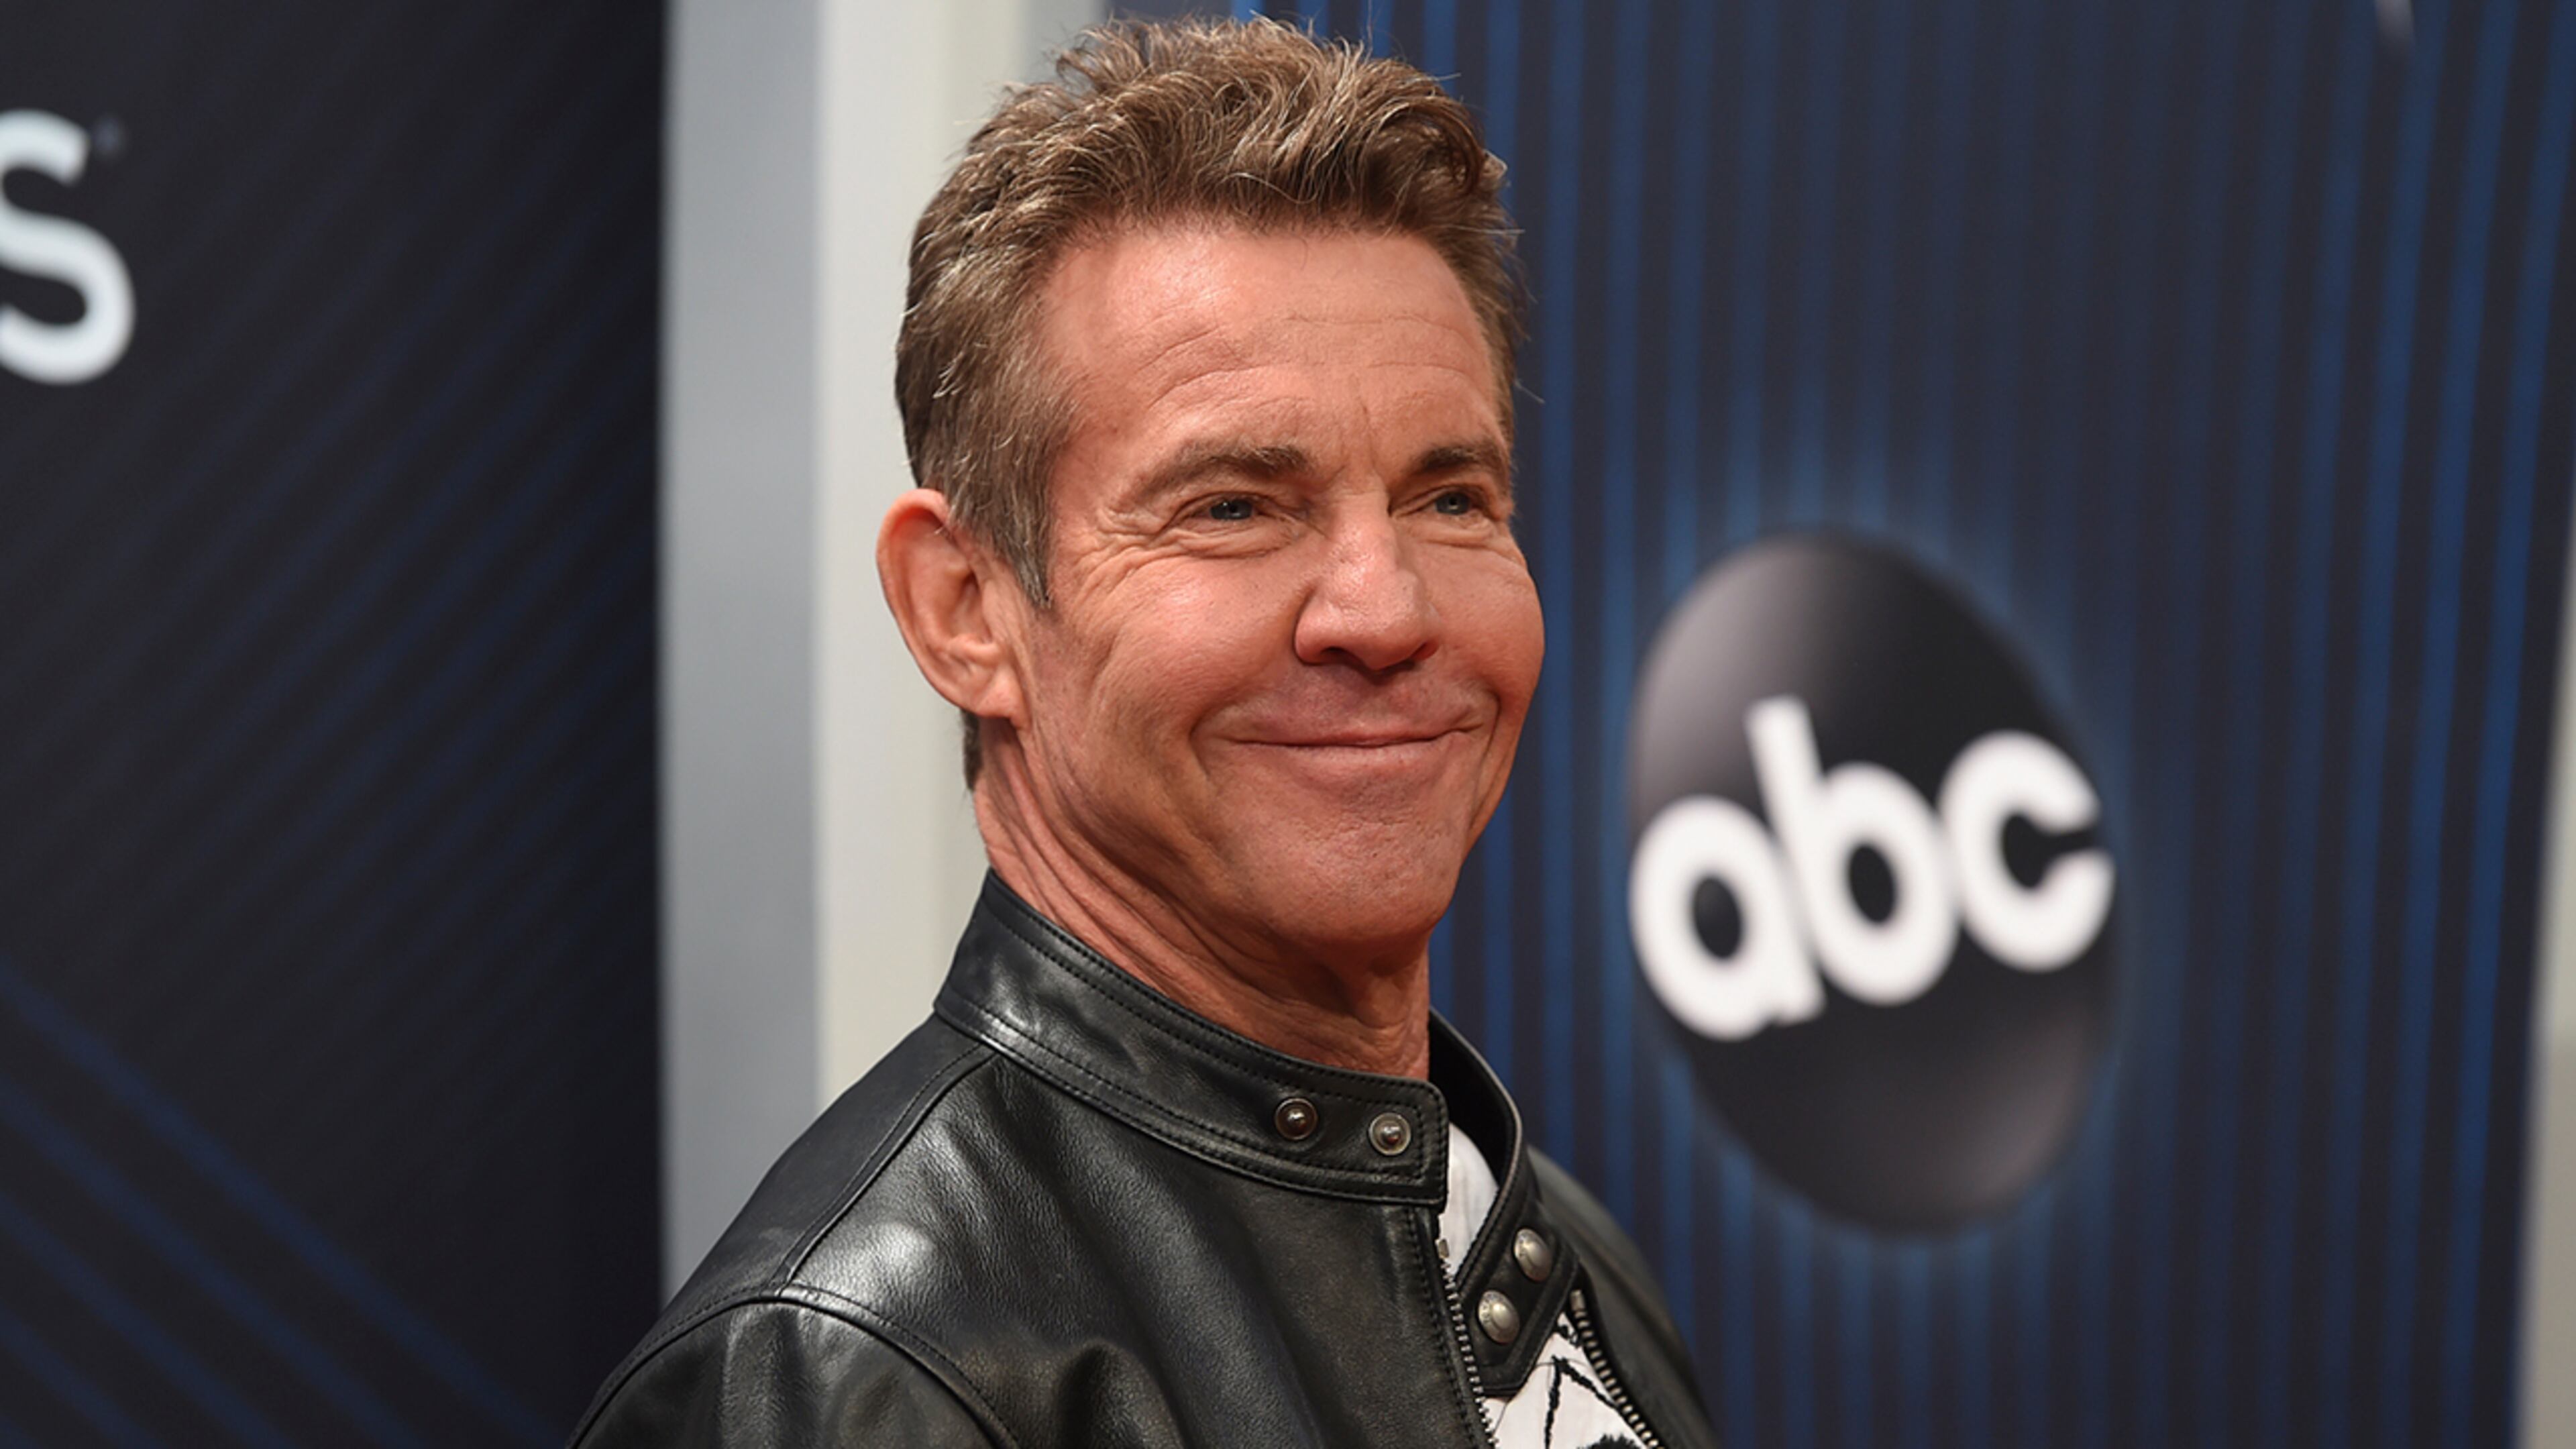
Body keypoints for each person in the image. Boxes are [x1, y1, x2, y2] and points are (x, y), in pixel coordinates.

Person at [572, 18, 1717, 1447]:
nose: (1384, 608)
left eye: (1449, 499)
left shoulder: (1554, 1255)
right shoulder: (851, 1379)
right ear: (964, 610)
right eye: (1233, 506)